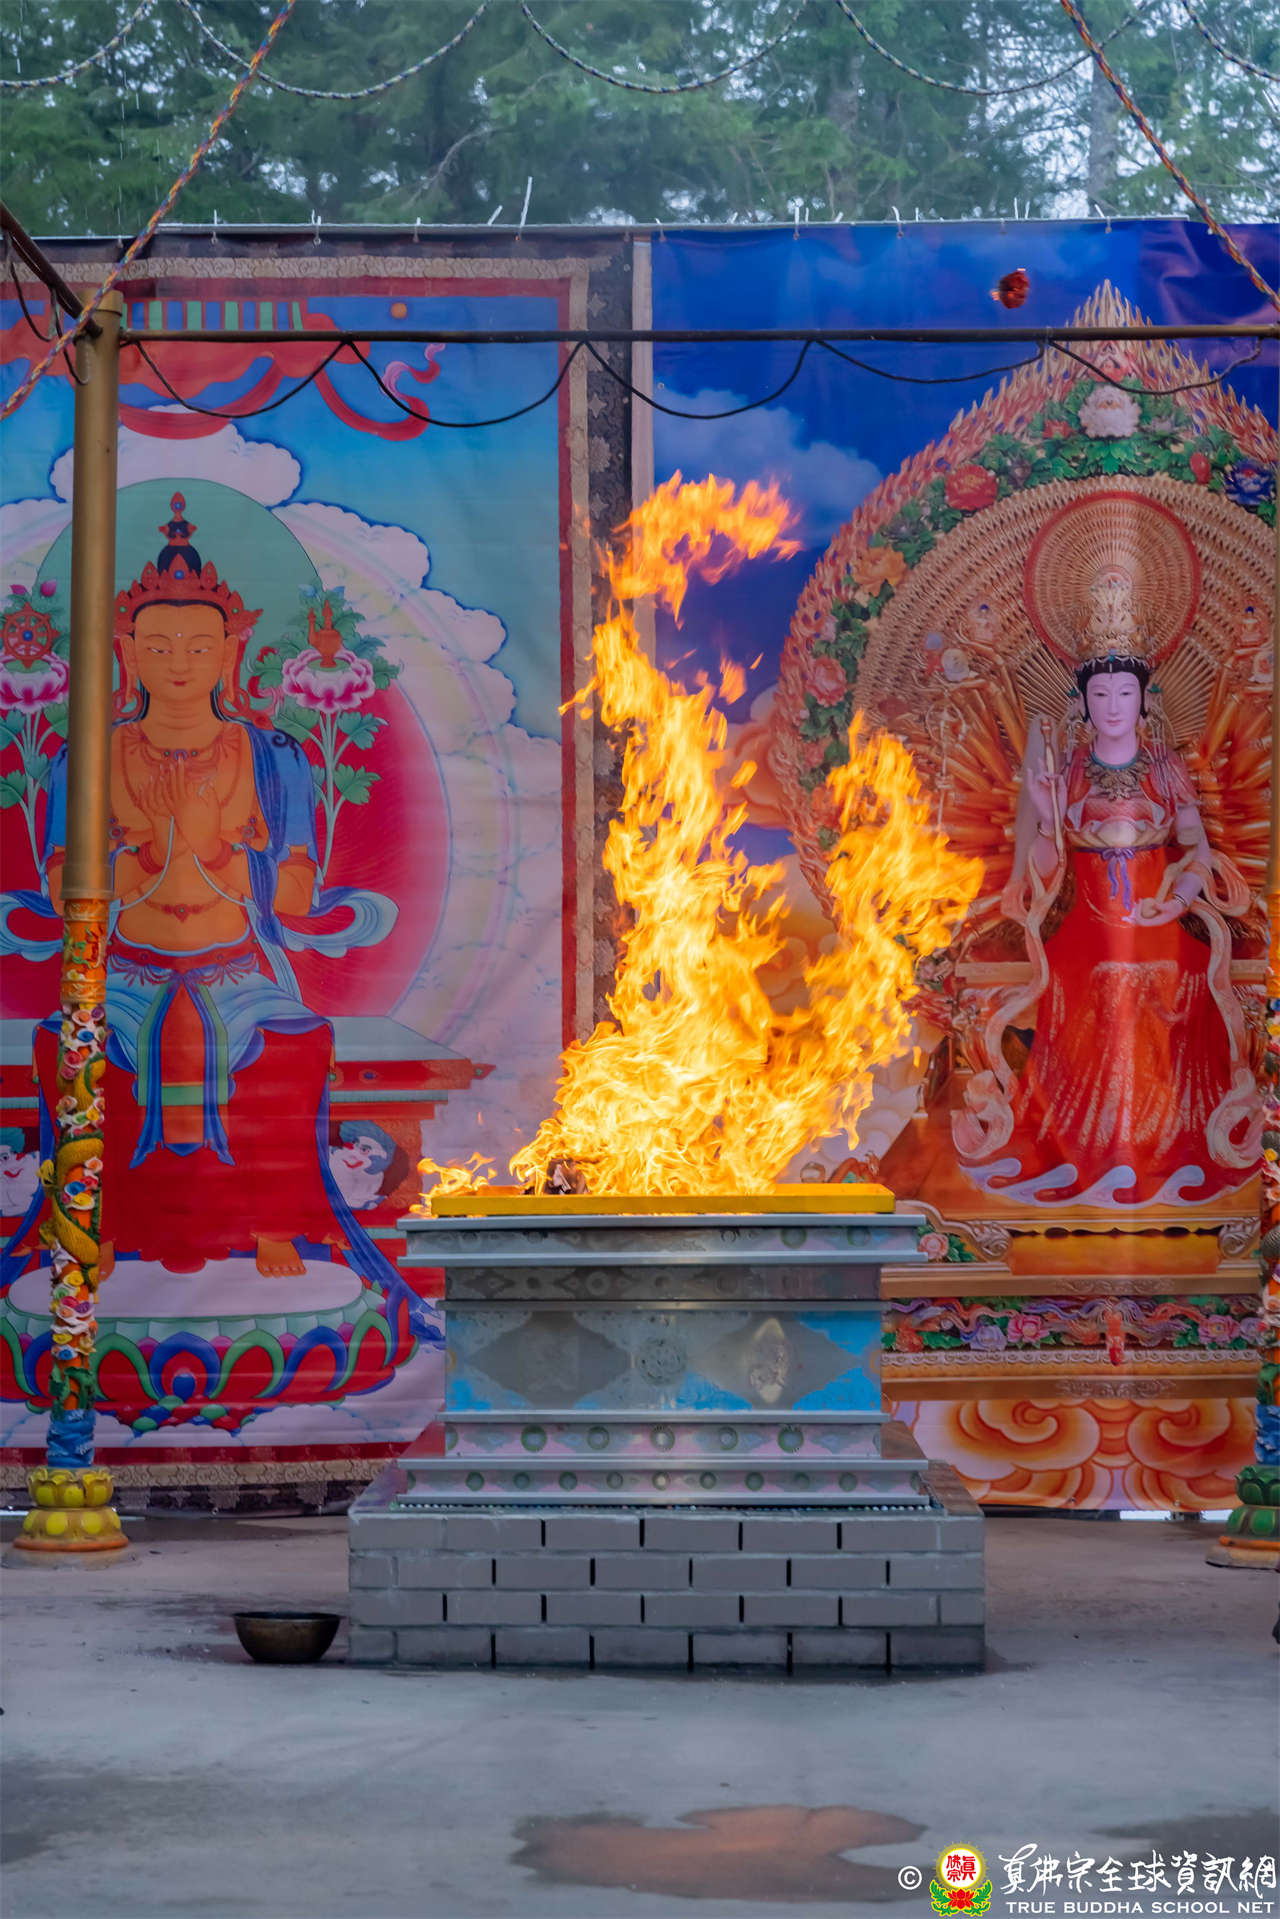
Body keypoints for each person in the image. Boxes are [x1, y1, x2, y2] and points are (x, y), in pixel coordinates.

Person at [35, 496, 399, 1285]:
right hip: (127, 971)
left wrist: (215, 851)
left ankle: (273, 1226)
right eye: (158, 645)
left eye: (199, 646)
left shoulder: (273, 759)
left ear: (231, 652)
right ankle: (98, 1229)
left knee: (294, 1049)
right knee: (72, 1050)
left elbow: (294, 895)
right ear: (127, 653)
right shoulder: (89, 757)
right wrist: (139, 855)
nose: (178, 662)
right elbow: (66, 890)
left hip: (236, 970)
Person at [957, 534, 1256, 1207]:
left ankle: (1163, 1140)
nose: (1114, 704)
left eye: (1125, 691)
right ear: (1085, 702)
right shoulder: (1064, 772)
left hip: (1159, 913)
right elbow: (1046, 868)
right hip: (1087, 920)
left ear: (1143, 700)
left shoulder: (1166, 768)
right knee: (1094, 980)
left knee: (1174, 976)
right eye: (1101, 692)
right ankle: (1088, 1142)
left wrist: (1179, 896)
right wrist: (1043, 815)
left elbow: (1196, 848)